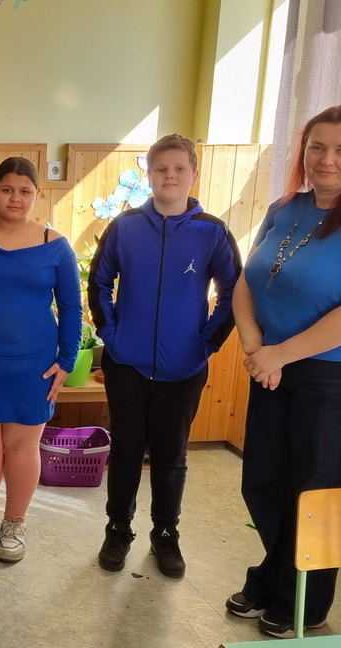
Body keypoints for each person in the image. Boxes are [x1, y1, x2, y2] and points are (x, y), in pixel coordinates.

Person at [226, 105, 341, 638]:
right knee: (264, 482)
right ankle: (275, 576)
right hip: (273, 368)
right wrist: (255, 347)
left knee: (316, 494)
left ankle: (304, 601)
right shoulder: (285, 208)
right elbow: (246, 282)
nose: (326, 159)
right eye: (316, 147)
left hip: (335, 379)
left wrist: (280, 354)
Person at [87, 134, 241, 578]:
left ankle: (165, 534)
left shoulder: (212, 231)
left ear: (194, 175)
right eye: (160, 169)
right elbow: (99, 281)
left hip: (184, 367)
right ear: (150, 174)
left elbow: (233, 293)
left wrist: (206, 343)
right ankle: (118, 529)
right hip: (126, 363)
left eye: (179, 169)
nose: (169, 176)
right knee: (126, 449)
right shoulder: (125, 226)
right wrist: (111, 334)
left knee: (172, 456)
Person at [0, 157, 81, 563]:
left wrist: (67, 360)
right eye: (7, 189)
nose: (15, 198)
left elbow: (72, 308)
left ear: (37, 194)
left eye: (25, 191)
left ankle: (15, 523)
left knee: (22, 448)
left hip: (34, 366)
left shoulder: (56, 245)